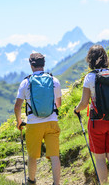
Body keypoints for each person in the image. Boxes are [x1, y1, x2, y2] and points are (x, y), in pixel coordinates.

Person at [74, 45, 109, 184]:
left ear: (90, 60)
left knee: (99, 158)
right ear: (105, 57)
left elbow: (84, 103)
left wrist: (76, 110)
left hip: (97, 122)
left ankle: (103, 183)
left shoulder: (90, 77)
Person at [14, 52, 62, 185]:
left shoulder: (26, 82)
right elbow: (59, 104)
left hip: (34, 123)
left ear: (31, 65)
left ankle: (31, 180)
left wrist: (19, 122)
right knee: (54, 155)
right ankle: (56, 183)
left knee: (33, 155)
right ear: (44, 64)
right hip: (52, 121)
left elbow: (17, 107)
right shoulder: (54, 80)